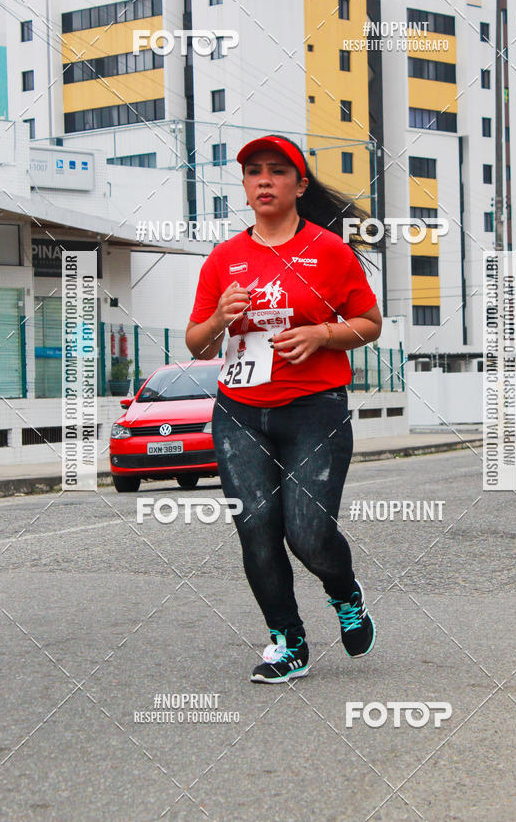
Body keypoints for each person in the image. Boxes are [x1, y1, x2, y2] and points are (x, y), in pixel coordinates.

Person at [185, 134, 382, 683]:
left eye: (276, 171)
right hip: (240, 412)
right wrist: (221, 318)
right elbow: (196, 344)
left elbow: (369, 323)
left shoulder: (329, 251)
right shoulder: (224, 259)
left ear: (299, 185)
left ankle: (345, 594)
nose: (263, 180)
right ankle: (288, 640)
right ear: (245, 187)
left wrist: (321, 334)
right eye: (253, 172)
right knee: (256, 529)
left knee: (308, 532)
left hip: (313, 409)